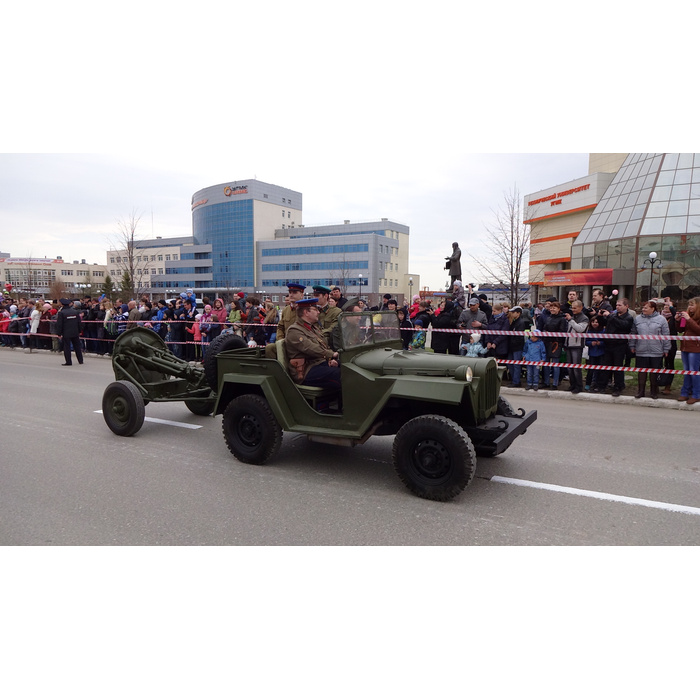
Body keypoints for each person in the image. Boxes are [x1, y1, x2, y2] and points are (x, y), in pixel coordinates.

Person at [284, 298, 341, 390]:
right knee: (341, 375)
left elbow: (323, 345)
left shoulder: (312, 328)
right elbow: (310, 348)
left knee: (348, 368)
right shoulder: (294, 330)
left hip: (319, 363)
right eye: (315, 310)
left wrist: (330, 359)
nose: (318, 312)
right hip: (306, 370)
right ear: (306, 312)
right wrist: (332, 354)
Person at [593, 298, 634, 397]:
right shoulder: (613, 315)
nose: (617, 307)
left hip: (619, 345)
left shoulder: (628, 317)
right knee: (605, 366)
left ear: (626, 306)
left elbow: (623, 326)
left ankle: (618, 386)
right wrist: (600, 317)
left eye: (620, 305)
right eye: (616, 305)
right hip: (608, 344)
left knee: (618, 367)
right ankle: (602, 385)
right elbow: (604, 323)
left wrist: (610, 316)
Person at [629, 300, 670, 399]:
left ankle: (653, 392)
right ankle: (641, 391)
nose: (643, 309)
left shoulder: (661, 319)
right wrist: (632, 345)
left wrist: (666, 348)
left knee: (654, 372)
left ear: (653, 309)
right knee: (642, 372)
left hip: (656, 350)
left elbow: (666, 335)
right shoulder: (637, 319)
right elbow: (633, 333)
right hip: (641, 350)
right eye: (643, 308)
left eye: (646, 308)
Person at [676, 297, 700, 405]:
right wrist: (678, 320)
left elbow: (698, 330)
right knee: (686, 372)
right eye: (689, 304)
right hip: (685, 347)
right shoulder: (688, 316)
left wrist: (689, 320)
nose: (690, 307)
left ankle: (696, 394)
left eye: (692, 304)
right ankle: (685, 392)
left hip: (695, 348)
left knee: (694, 371)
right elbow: (681, 329)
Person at [539, 300, 567, 390]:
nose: (552, 309)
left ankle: (555, 383)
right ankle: (546, 382)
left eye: (554, 307)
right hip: (547, 342)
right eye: (551, 307)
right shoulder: (548, 318)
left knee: (555, 364)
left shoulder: (562, 319)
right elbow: (544, 328)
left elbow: (562, 332)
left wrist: (552, 334)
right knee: (546, 364)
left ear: (558, 309)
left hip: (556, 343)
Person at [564, 300, 589, 394]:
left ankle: (579, 386)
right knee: (570, 367)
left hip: (577, 345)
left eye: (575, 308)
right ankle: (572, 384)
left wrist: (571, 320)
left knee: (576, 368)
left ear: (581, 307)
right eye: (572, 308)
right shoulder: (573, 317)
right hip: (569, 344)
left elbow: (580, 329)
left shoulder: (584, 318)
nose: (573, 310)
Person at [507, 305, 531, 388]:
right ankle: (514, 380)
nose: (512, 313)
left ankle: (516, 381)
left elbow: (518, 337)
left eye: (513, 312)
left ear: (518, 313)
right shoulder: (514, 322)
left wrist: (513, 343)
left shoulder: (520, 323)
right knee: (510, 364)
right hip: (512, 347)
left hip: (517, 347)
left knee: (516, 365)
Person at [55, 298, 84, 366]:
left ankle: (68, 361)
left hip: (66, 333)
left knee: (67, 347)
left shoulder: (61, 313)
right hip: (75, 332)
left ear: (62, 305)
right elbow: (79, 322)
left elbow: (59, 324)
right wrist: (80, 330)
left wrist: (59, 333)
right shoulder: (75, 312)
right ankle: (80, 360)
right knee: (77, 346)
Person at [584, 315, 605, 391]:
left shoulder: (603, 331)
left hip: (601, 352)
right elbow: (586, 341)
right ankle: (588, 384)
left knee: (600, 370)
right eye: (593, 322)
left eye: (596, 322)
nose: (594, 323)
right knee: (590, 370)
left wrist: (600, 343)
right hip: (592, 353)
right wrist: (590, 343)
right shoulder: (589, 331)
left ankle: (598, 384)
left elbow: (606, 341)